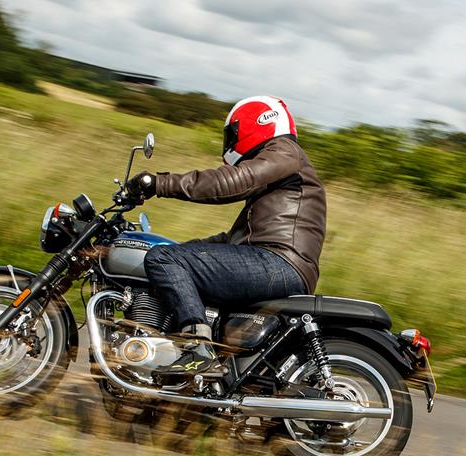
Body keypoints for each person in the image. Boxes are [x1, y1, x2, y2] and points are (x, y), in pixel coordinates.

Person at [126, 95, 326, 379]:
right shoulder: (282, 166)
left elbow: (232, 182)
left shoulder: (284, 151)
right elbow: (235, 238)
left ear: (255, 123)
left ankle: (197, 347)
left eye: (232, 132)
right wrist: (183, 250)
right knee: (172, 256)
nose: (230, 140)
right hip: (274, 260)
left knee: (163, 258)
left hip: (278, 262)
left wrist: (159, 183)